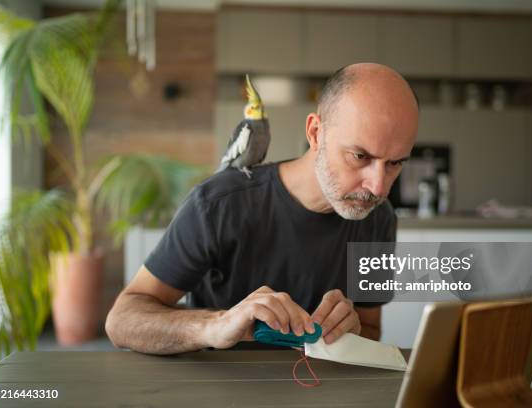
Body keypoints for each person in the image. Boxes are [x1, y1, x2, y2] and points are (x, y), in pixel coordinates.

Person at [105, 63, 419, 354]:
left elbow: (371, 328)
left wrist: (351, 331)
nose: (377, 188)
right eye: (360, 156)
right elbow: (122, 320)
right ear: (315, 133)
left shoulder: (379, 217)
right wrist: (214, 326)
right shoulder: (218, 204)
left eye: (394, 163)